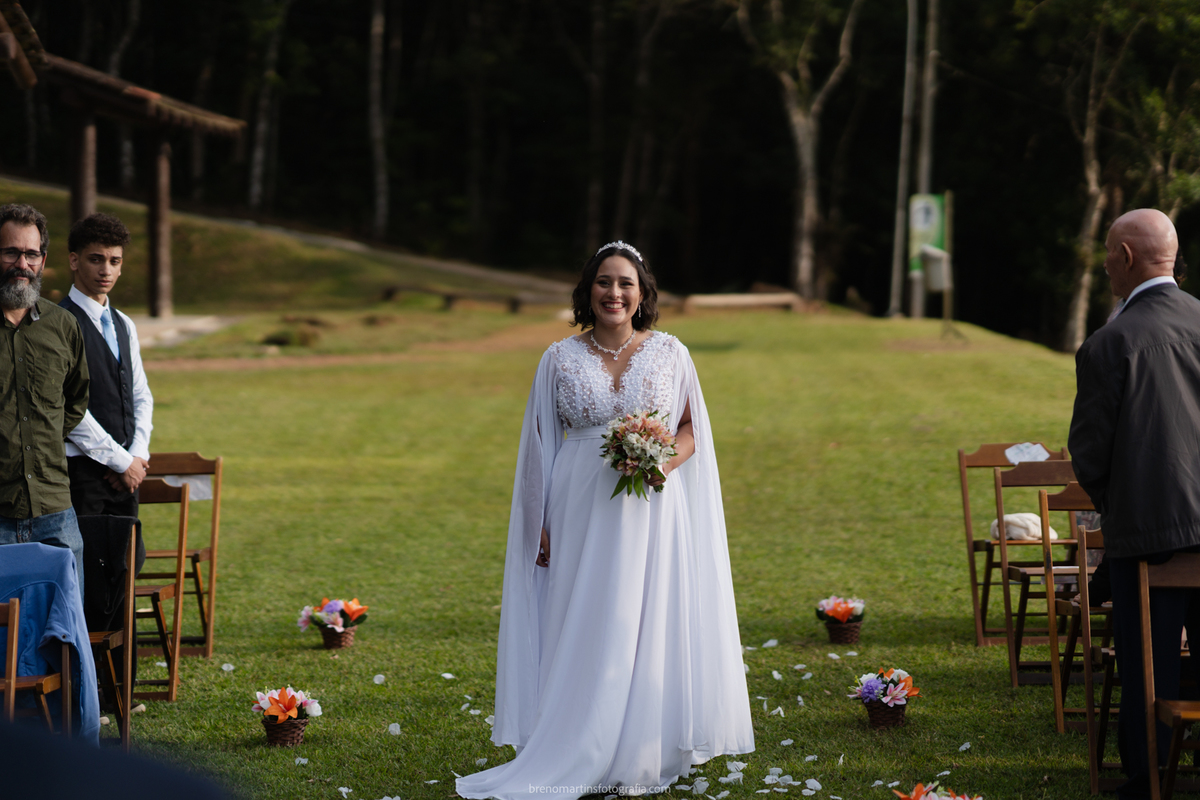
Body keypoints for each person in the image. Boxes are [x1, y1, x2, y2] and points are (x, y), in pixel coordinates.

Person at [457, 241, 753, 800]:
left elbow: (692, 427)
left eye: (625, 284)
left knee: (644, 617)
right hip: (577, 505)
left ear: (642, 295)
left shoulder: (671, 353)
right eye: (603, 283)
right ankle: (577, 739)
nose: (613, 293)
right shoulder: (558, 358)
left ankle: (641, 746)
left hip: (650, 503)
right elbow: (538, 444)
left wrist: (662, 460)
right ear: (587, 291)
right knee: (585, 616)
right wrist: (538, 521)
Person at [1069, 208, 1200, 798]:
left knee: (1148, 657)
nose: (1103, 262)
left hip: (1148, 529)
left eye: (1105, 252)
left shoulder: (1111, 341)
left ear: (1123, 258)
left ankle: (1148, 775)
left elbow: (1091, 454)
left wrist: (1116, 505)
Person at [0, 203, 90, 591]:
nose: (22, 263)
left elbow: (76, 400)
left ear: (43, 259)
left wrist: (44, 437)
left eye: (31, 254)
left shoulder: (64, 326)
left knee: (67, 630)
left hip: (55, 509)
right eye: (10, 252)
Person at [61, 213, 153, 517]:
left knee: (127, 563)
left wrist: (136, 457)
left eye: (115, 261)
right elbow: (66, 407)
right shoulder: (57, 323)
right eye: (96, 259)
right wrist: (118, 461)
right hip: (81, 474)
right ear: (74, 261)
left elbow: (140, 395)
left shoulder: (125, 324)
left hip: (127, 477)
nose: (106, 270)